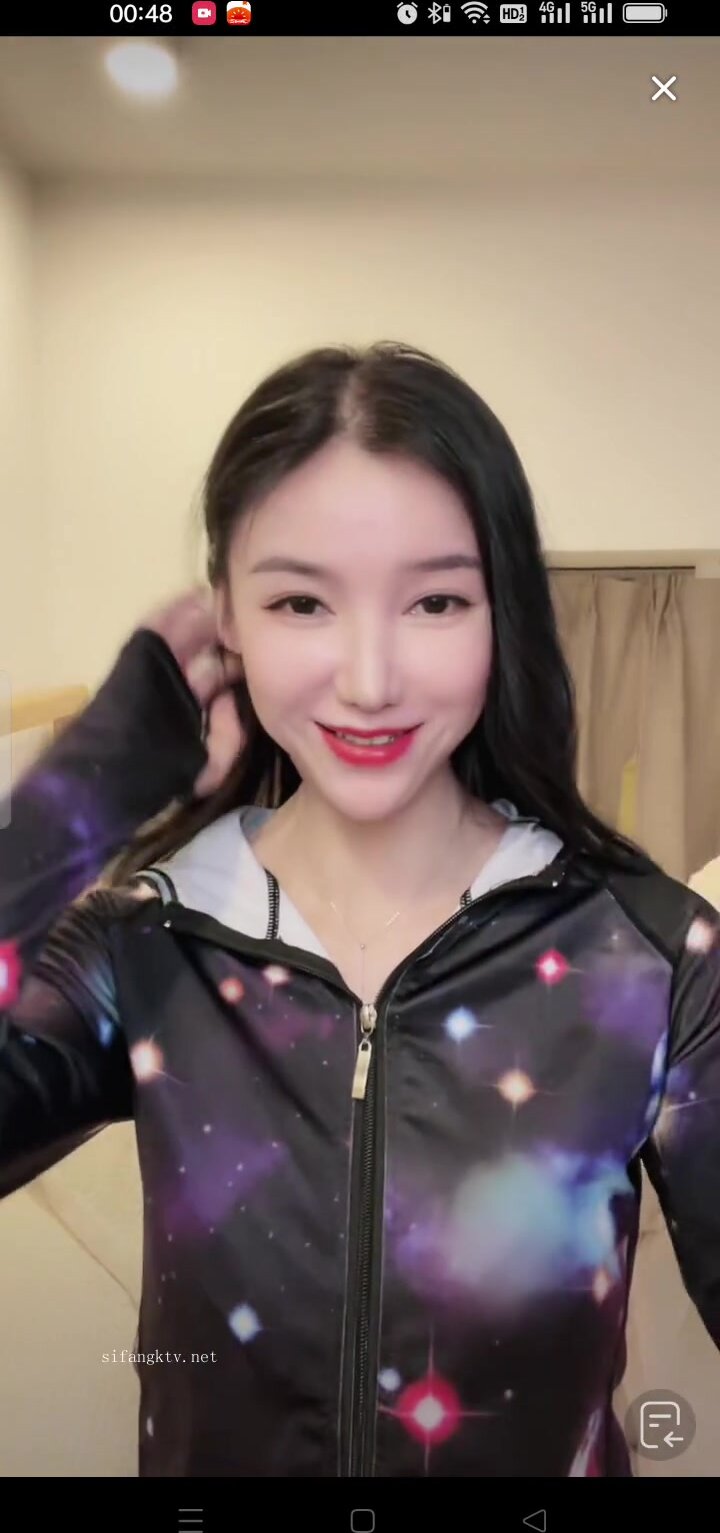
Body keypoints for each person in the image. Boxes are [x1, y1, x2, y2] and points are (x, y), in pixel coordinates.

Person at [1, 341, 719, 1480]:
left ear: (504, 615)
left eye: (437, 599)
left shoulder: (654, 958)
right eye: (301, 601)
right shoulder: (146, 943)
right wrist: (80, 797)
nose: (371, 680)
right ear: (227, 617)